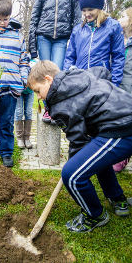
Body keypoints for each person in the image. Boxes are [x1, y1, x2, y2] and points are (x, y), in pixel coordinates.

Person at [28, 60, 131, 233]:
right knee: (97, 158)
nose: (38, 97)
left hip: (121, 127)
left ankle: (94, 215)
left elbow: (78, 143)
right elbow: (102, 72)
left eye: (38, 91)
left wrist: (74, 165)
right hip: (120, 120)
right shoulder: (76, 75)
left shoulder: (62, 104)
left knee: (72, 175)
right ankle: (117, 198)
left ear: (48, 79)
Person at [29, 0, 81, 123]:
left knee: (55, 74)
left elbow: (77, 17)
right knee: (43, 74)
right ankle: (47, 109)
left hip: (61, 37)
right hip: (43, 36)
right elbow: (34, 18)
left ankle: (55, 108)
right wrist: (32, 49)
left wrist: (75, 44)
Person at [0, 0, 30, 167]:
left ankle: (7, 152)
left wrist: (23, 80)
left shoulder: (18, 36)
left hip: (11, 87)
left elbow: (24, 60)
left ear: (10, 16)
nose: (2, 22)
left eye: (5, 19)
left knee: (7, 122)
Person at [63, 0, 125, 88]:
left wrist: (114, 85)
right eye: (84, 10)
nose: (87, 14)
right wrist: (67, 78)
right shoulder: (77, 30)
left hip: (101, 82)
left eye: (90, 9)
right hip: (80, 81)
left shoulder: (113, 27)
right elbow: (70, 57)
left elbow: (118, 57)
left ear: (99, 8)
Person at [112, 8, 132, 172]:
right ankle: (121, 155)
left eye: (124, 15)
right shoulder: (119, 39)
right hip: (119, 86)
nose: (120, 18)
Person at [14, 59, 36, 149]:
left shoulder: (33, 61)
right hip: (18, 89)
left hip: (29, 91)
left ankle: (27, 138)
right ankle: (19, 138)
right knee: (18, 111)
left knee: (28, 112)